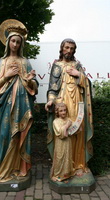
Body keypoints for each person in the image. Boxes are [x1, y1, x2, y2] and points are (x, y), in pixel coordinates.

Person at [0, 19, 38, 182]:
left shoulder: (25, 62)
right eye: (13, 41)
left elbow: (33, 86)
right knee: (4, 134)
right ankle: (2, 167)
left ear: (21, 44)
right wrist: (6, 76)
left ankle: (18, 168)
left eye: (18, 42)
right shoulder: (2, 62)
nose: (15, 44)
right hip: (6, 106)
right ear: (8, 42)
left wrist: (30, 80)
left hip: (23, 105)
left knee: (20, 135)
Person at [45, 38, 93, 177]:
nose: (69, 51)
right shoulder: (57, 65)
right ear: (62, 48)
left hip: (77, 102)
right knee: (64, 134)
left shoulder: (77, 65)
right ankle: (64, 166)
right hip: (63, 103)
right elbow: (52, 88)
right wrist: (50, 101)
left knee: (78, 131)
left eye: (71, 48)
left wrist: (79, 75)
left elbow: (87, 83)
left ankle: (79, 164)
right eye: (66, 47)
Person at [51, 102, 74, 182]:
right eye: (61, 111)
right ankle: (57, 174)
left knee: (67, 157)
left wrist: (77, 129)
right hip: (60, 143)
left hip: (68, 142)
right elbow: (60, 133)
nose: (63, 112)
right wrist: (67, 125)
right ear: (57, 112)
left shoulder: (69, 120)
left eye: (64, 110)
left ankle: (66, 173)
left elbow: (72, 131)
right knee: (59, 158)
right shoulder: (56, 121)